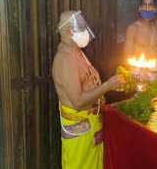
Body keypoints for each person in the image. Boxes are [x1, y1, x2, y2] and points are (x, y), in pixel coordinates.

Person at [52, 11, 125, 169]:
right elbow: (77, 102)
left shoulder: (76, 51)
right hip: (80, 130)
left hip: (94, 124)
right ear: (66, 31)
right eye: (80, 28)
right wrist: (107, 86)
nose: (84, 32)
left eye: (85, 27)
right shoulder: (64, 58)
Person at [124, 0, 157, 65]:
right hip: (136, 72)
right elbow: (127, 57)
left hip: (154, 72)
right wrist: (153, 54)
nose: (147, 8)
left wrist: (143, 52)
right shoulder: (133, 29)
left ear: (155, 8)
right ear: (139, 7)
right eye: (144, 5)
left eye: (150, 5)